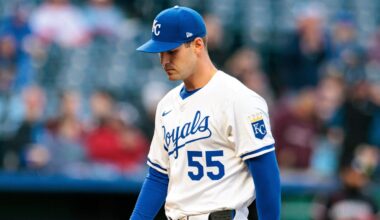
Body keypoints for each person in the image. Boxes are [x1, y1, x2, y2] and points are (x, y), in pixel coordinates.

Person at [131, 6, 281, 220]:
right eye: (160, 53)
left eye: (172, 51)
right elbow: (158, 177)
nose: (164, 61)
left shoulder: (238, 99)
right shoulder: (166, 105)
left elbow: (266, 175)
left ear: (198, 45)